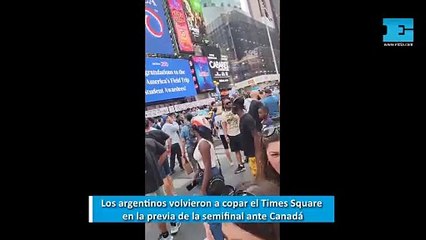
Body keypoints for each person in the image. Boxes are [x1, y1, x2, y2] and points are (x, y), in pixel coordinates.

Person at [191, 116, 225, 240]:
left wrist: (203, 189)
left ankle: (218, 236)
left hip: (210, 175)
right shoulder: (202, 141)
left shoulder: (203, 144)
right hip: (208, 174)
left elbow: (208, 168)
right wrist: (196, 175)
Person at [145, 138, 181, 239]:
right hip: (156, 179)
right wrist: (157, 165)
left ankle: (166, 235)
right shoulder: (149, 141)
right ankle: (173, 223)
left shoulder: (149, 141)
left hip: (148, 185)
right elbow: (164, 151)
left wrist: (157, 165)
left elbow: (164, 151)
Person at [232, 97, 263, 178]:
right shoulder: (242, 118)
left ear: (236, 107)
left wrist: (257, 153)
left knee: (259, 176)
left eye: (232, 106)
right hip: (250, 154)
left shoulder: (247, 119)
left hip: (253, 154)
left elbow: (256, 136)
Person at [145, 119, 177, 196]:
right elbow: (169, 138)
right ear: (149, 124)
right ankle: (173, 193)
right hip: (163, 155)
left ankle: (169, 195)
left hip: (153, 160)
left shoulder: (147, 137)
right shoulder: (157, 131)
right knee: (167, 175)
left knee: (162, 178)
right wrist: (168, 148)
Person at [222, 98, 246, 174]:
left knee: (245, 147)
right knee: (236, 150)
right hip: (231, 134)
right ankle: (240, 165)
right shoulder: (223, 114)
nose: (228, 104)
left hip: (239, 132)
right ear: (224, 105)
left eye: (229, 102)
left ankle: (248, 158)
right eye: (226, 103)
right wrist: (226, 136)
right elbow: (224, 126)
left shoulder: (236, 110)